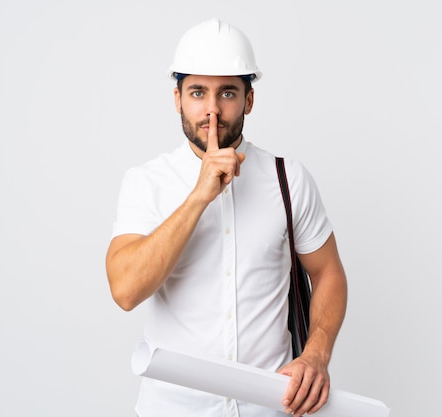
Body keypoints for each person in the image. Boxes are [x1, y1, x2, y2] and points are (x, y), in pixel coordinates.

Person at [106, 18, 348, 417]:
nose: (212, 110)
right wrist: (200, 196)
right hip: (172, 410)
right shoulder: (146, 182)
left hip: (270, 407)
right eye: (198, 92)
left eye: (228, 93)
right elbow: (126, 290)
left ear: (249, 101)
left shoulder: (288, 178)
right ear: (177, 98)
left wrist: (317, 354)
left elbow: (328, 273)